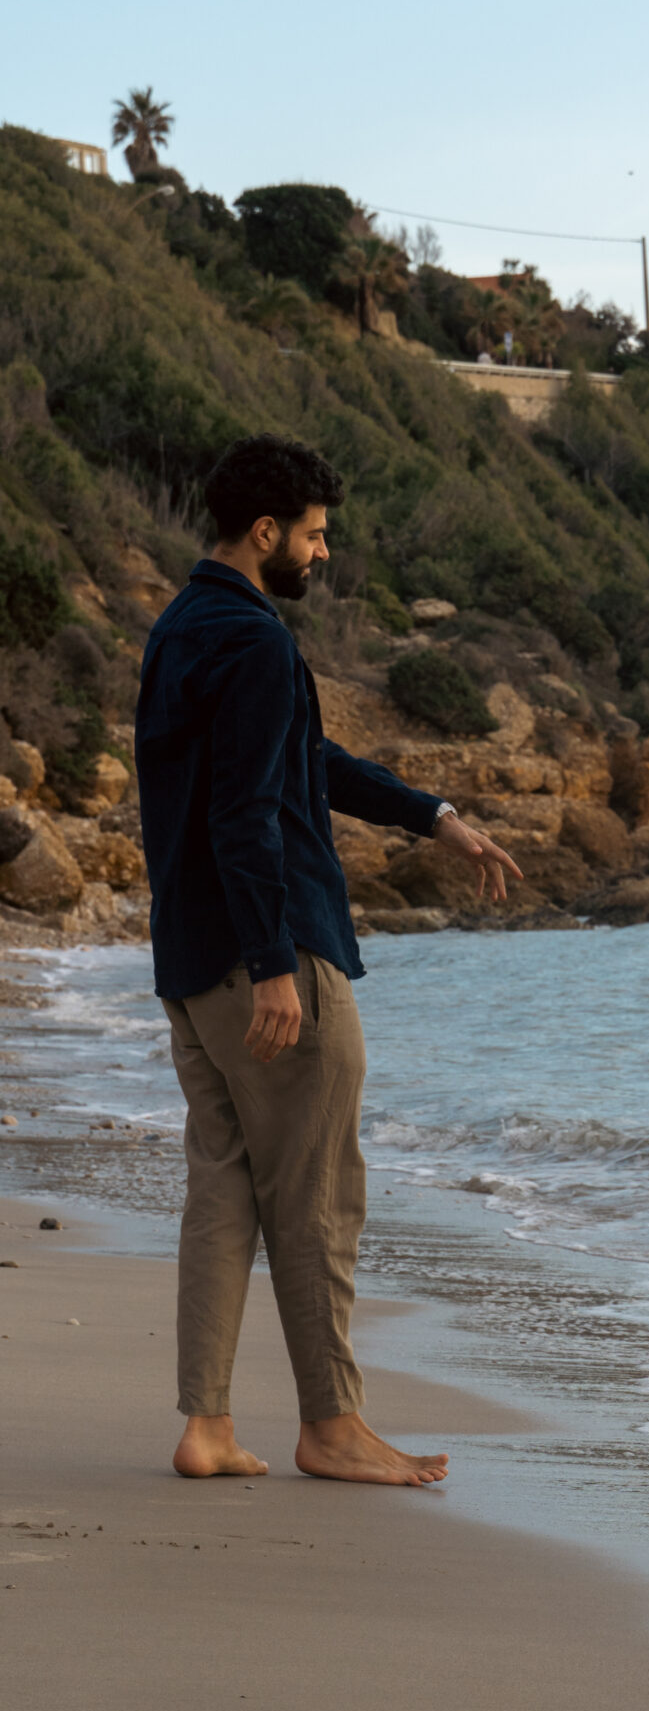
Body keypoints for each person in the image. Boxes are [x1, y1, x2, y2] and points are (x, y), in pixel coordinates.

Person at [134, 434, 522, 1486]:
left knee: (223, 1187)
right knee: (318, 1196)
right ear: (266, 533)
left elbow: (300, 761)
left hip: (188, 957)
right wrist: (273, 962)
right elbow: (245, 810)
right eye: (313, 536)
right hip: (271, 955)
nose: (323, 554)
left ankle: (206, 1425)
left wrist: (434, 817)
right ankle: (332, 1425)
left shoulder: (182, 627)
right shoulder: (254, 641)